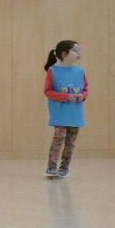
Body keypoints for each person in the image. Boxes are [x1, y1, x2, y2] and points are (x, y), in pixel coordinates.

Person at [43, 40, 87, 179]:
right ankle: (51, 167)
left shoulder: (81, 71)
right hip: (60, 114)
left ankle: (64, 168)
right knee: (58, 139)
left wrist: (82, 96)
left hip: (75, 113)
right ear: (64, 53)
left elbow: (85, 89)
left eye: (79, 50)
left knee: (71, 142)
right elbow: (48, 91)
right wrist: (66, 97)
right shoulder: (53, 71)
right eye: (75, 50)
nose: (79, 53)